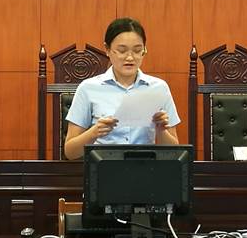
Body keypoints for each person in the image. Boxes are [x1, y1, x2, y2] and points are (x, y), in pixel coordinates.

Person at [64, 17, 181, 160]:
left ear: (144, 49)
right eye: (122, 50)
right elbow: (70, 152)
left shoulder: (158, 88)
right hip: (103, 167)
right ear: (107, 49)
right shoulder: (88, 88)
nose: (130, 57)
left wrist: (161, 130)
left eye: (137, 50)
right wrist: (94, 132)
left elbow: (174, 153)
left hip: (145, 167)